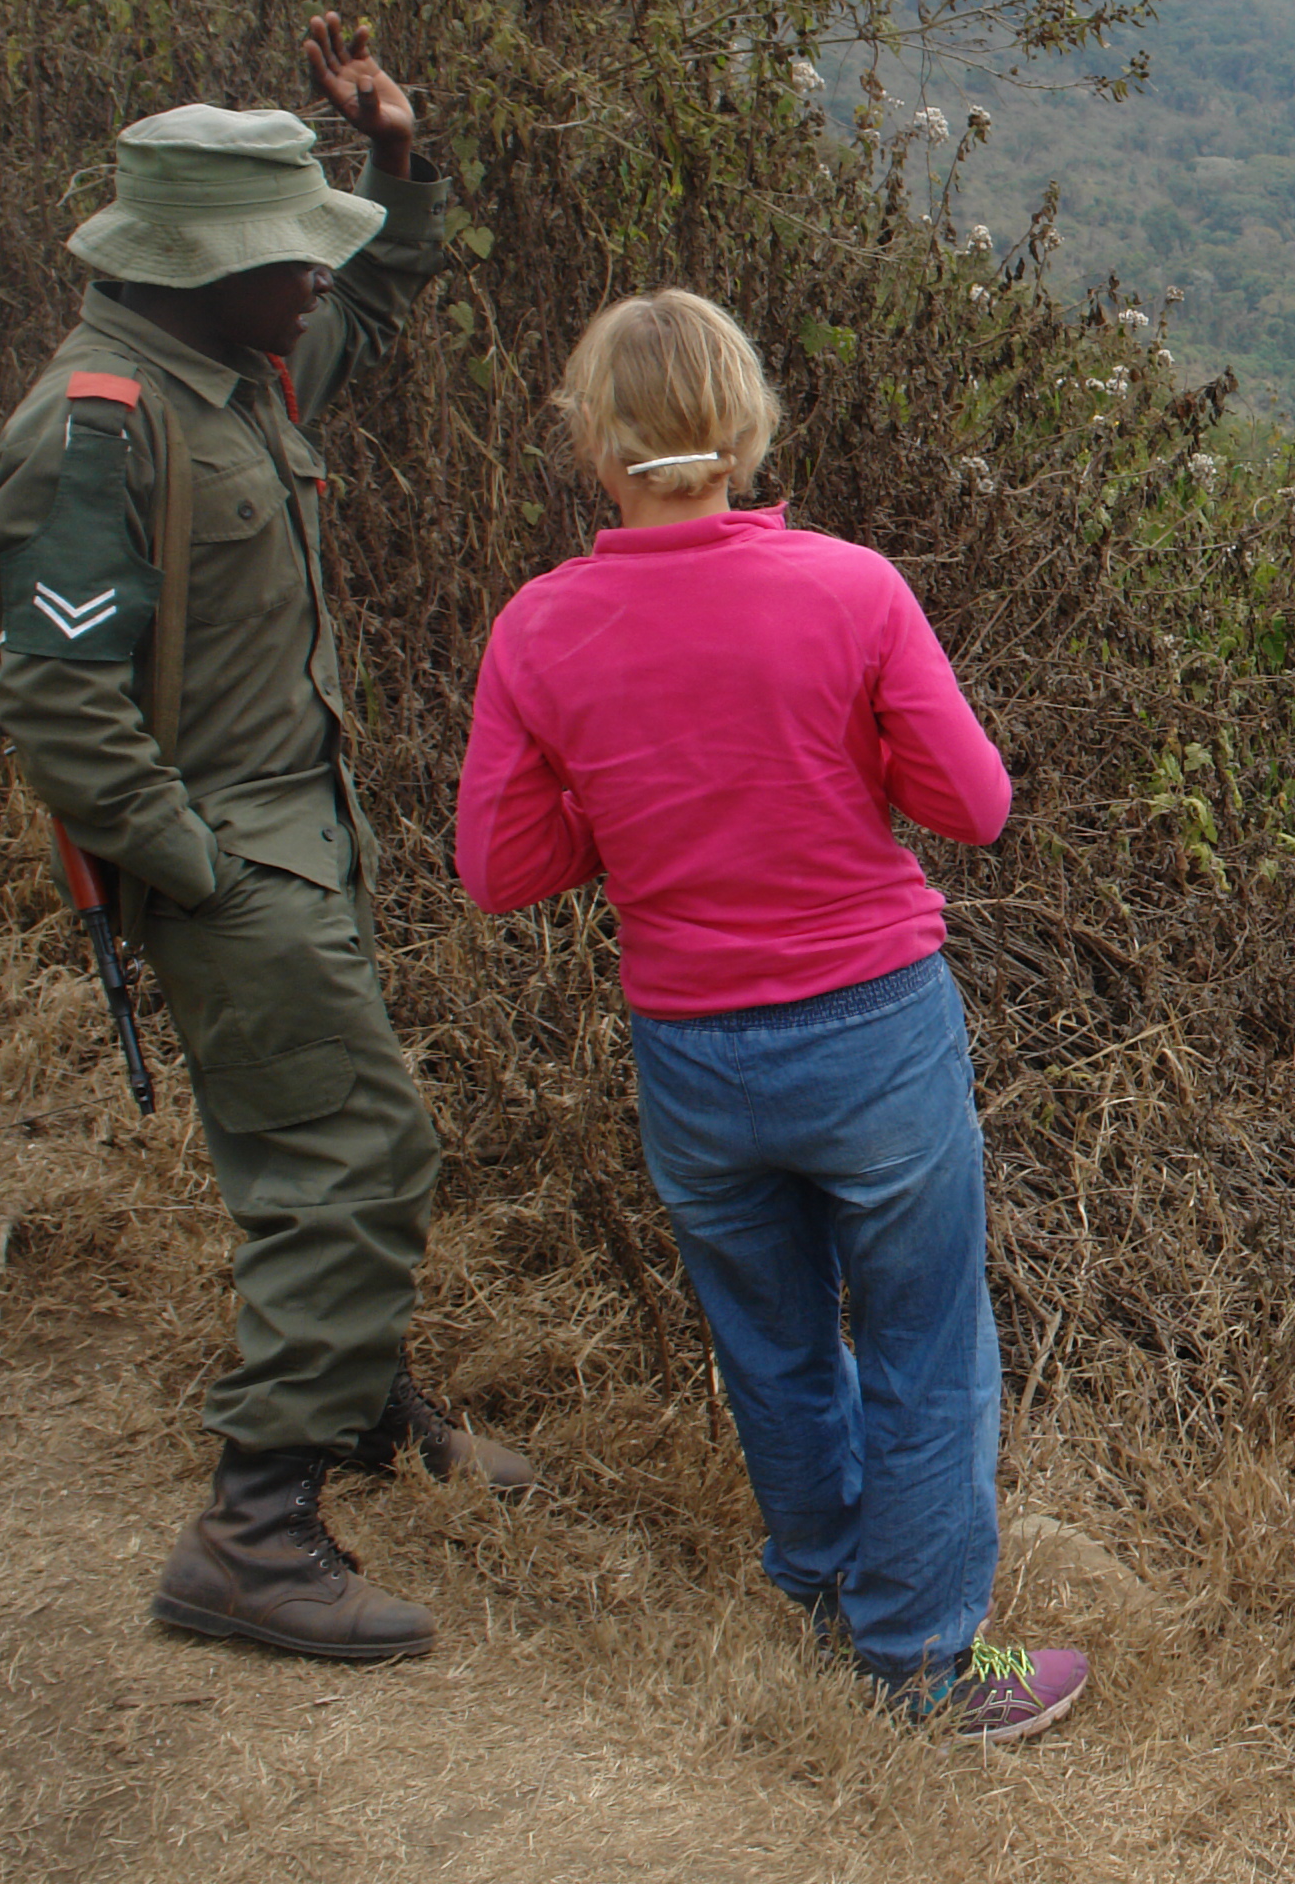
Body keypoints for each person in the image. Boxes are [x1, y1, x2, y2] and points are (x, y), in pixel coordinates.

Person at [0, 17, 535, 1665]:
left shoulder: (236, 367)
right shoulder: (96, 430)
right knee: (359, 1159)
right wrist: (196, 864)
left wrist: (395, 166)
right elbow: (53, 699)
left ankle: (357, 1402)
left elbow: (374, 299)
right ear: (202, 267)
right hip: (238, 864)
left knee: (328, 1139)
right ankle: (255, 1526)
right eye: (286, 258)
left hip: (303, 839)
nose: (314, 281)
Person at [452, 289, 1085, 1740]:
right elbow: (974, 807)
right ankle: (928, 1663)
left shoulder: (541, 628)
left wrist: (624, 804)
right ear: (743, 429)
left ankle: (818, 1578)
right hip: (871, 1028)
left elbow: (499, 871)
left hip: (691, 1046)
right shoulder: (849, 589)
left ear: (589, 441)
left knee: (773, 1337)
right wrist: (843, 756)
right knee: (928, 1342)